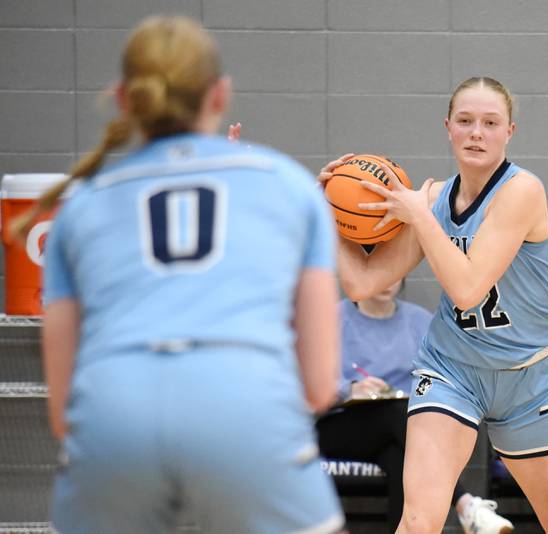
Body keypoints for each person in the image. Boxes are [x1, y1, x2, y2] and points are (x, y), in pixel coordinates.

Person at [25, 16, 343, 534]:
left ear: (124, 100)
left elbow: (61, 412)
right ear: (220, 95)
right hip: (244, 406)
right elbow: (320, 386)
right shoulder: (290, 185)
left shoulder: (80, 206)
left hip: (114, 414)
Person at [319, 76, 548, 534]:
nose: (476, 132)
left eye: (490, 123)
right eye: (465, 121)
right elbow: (361, 283)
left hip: (527, 377)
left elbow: (468, 288)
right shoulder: (433, 199)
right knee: (419, 519)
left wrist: (421, 217)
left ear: (509, 132)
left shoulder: (522, 190)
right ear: (448, 127)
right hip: (451, 371)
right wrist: (329, 210)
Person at [316, 279, 514, 534]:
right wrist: (350, 389)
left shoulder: (419, 320)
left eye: (393, 272)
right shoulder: (334, 317)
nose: (387, 280)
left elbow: (441, 375)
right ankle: (465, 503)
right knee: (399, 416)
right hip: (338, 426)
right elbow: (309, 380)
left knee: (402, 457)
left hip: (399, 430)